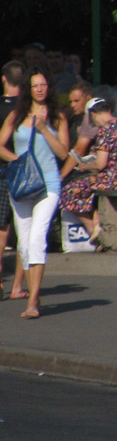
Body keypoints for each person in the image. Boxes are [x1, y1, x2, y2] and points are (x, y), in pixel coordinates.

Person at [0, 66, 70, 318]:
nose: (40, 89)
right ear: (27, 90)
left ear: (48, 87)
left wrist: (42, 130)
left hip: (49, 184)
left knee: (37, 239)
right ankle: (33, 293)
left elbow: (64, 153)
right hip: (21, 185)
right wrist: (15, 159)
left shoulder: (57, 116)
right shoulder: (16, 115)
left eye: (43, 84)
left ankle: (33, 302)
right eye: (35, 85)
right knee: (24, 245)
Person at [59, 98, 117, 247]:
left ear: (93, 114)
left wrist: (84, 166)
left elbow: (100, 164)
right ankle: (97, 225)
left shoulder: (106, 131)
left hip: (111, 180)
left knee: (68, 191)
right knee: (90, 188)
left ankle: (94, 231)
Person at [0, 60, 26, 298]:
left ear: (4, 79)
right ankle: (18, 285)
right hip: (26, 173)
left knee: (1, 226)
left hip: (3, 167)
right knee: (24, 227)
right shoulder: (29, 109)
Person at [60, 82, 98, 181]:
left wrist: (62, 176)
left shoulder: (91, 117)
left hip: (92, 171)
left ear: (89, 98)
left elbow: (80, 149)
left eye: (77, 101)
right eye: (70, 102)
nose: (72, 105)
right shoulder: (77, 118)